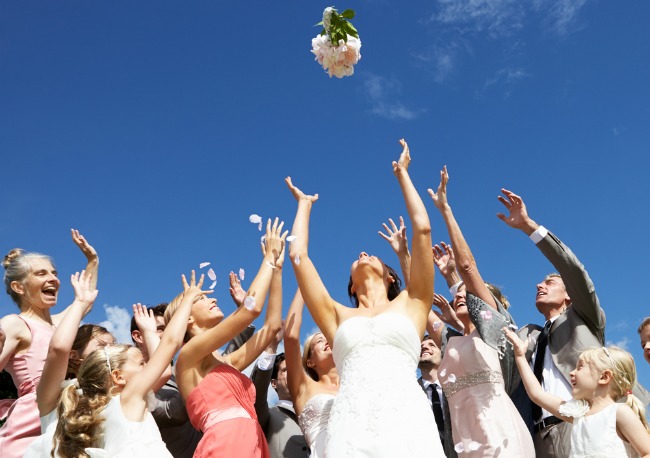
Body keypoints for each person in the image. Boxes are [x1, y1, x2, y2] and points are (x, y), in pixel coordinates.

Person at [285, 139, 444, 457]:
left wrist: (403, 175)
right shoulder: (337, 316)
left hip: (407, 420)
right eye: (357, 257)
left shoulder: (413, 302)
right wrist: (304, 205)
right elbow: (298, 255)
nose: (361, 253)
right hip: (350, 427)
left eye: (370, 254)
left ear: (390, 276)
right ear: (352, 288)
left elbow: (423, 229)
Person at [496, 188, 645, 457]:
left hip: (580, 424)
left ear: (568, 295)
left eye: (549, 282)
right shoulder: (530, 335)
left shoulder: (584, 317)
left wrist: (529, 227)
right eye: (540, 283)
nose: (539, 285)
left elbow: (573, 270)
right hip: (538, 436)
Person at [428, 166, 534, 457]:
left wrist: (445, 210)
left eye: (467, 292)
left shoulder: (494, 329)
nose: (460, 294)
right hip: (462, 438)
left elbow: (468, 268)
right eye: (457, 292)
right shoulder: (450, 339)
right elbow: (418, 303)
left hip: (500, 432)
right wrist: (405, 256)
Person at [52, 273, 208, 457]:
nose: (146, 367)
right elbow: (168, 355)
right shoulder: (130, 396)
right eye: (141, 363)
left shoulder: (93, 408)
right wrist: (187, 300)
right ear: (118, 377)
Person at [167, 218, 286, 458]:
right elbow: (250, 310)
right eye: (201, 299)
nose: (213, 299)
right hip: (226, 443)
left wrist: (276, 271)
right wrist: (267, 258)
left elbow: (272, 326)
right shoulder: (188, 357)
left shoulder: (226, 363)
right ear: (186, 319)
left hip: (253, 443)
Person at [0, 230, 98, 458]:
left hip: (65, 411)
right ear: (19, 287)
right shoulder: (14, 323)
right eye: (41, 274)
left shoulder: (57, 324)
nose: (54, 279)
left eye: (54, 273)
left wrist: (92, 261)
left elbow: (85, 300)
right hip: (33, 419)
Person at [505, 329, 650, 458]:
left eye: (580, 367)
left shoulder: (619, 412)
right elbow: (537, 395)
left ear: (604, 377)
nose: (572, 373)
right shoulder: (577, 413)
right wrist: (520, 356)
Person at [23, 270, 100, 457]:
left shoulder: (113, 392)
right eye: (103, 345)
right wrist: (80, 303)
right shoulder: (57, 393)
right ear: (75, 356)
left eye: (114, 345)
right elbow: (59, 348)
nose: (109, 350)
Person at [284, 289, 338, 458]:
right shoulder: (303, 387)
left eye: (327, 338)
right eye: (319, 341)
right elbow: (291, 336)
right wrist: (303, 285)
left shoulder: (355, 382)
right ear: (310, 361)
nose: (326, 342)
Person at [251, 330, 310, 458]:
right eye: (286, 370)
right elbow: (256, 393)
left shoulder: (318, 411)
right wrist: (272, 346)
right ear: (274, 383)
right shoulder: (267, 414)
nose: (294, 372)